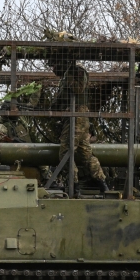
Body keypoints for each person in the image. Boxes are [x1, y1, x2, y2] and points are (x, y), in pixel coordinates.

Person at [49, 58, 108, 194]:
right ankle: (102, 184)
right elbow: (63, 97)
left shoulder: (77, 71)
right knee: (85, 154)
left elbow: (78, 89)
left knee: (65, 153)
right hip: (76, 117)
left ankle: (74, 186)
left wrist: (69, 76)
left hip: (76, 116)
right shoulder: (69, 74)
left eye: (55, 64)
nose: (53, 69)